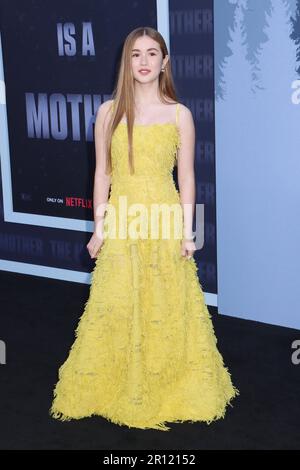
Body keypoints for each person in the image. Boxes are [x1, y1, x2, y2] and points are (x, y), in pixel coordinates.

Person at [50, 26, 239, 432]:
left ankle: (168, 382)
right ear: (126, 61)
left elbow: (187, 178)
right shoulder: (108, 112)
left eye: (152, 54)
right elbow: (102, 174)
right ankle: (114, 382)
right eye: (136, 54)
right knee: (116, 300)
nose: (144, 62)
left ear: (165, 62)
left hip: (163, 220)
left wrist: (188, 232)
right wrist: (99, 228)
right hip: (122, 219)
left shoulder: (179, 114)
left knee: (167, 305)